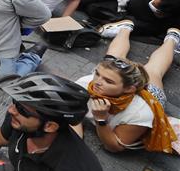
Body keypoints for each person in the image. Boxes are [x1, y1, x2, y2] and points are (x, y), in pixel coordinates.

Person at [73, 24, 178, 153]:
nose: (97, 82)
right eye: (97, 74)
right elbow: (70, 112)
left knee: (154, 71)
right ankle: (125, 28)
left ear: (129, 89)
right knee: (111, 59)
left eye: (108, 81)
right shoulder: (86, 82)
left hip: (151, 95)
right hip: (127, 84)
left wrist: (101, 119)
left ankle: (172, 38)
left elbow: (114, 147)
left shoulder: (140, 113)